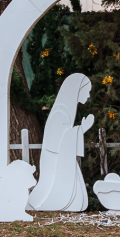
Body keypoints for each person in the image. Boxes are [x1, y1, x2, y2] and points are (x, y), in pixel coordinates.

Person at [28, 74, 93, 212]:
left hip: (60, 159)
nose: (88, 96)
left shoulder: (65, 112)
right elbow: (58, 141)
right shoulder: (60, 112)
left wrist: (79, 130)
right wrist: (81, 129)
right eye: (86, 91)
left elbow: (64, 137)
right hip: (55, 161)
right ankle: (45, 203)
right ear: (77, 90)